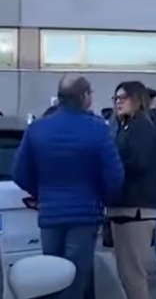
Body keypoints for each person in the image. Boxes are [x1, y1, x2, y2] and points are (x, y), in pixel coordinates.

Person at [12, 75, 124, 299]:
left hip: (50, 213)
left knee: (50, 277)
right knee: (76, 276)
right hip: (84, 214)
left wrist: (41, 192)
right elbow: (114, 175)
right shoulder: (97, 129)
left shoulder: (38, 129)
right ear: (84, 96)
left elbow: (19, 172)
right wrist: (102, 199)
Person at [108, 81, 156, 299]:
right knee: (128, 272)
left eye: (122, 98)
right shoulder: (127, 125)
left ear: (137, 99)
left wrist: (111, 170)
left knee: (132, 274)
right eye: (115, 98)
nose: (118, 102)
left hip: (137, 207)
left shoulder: (141, 126)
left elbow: (139, 162)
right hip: (128, 207)